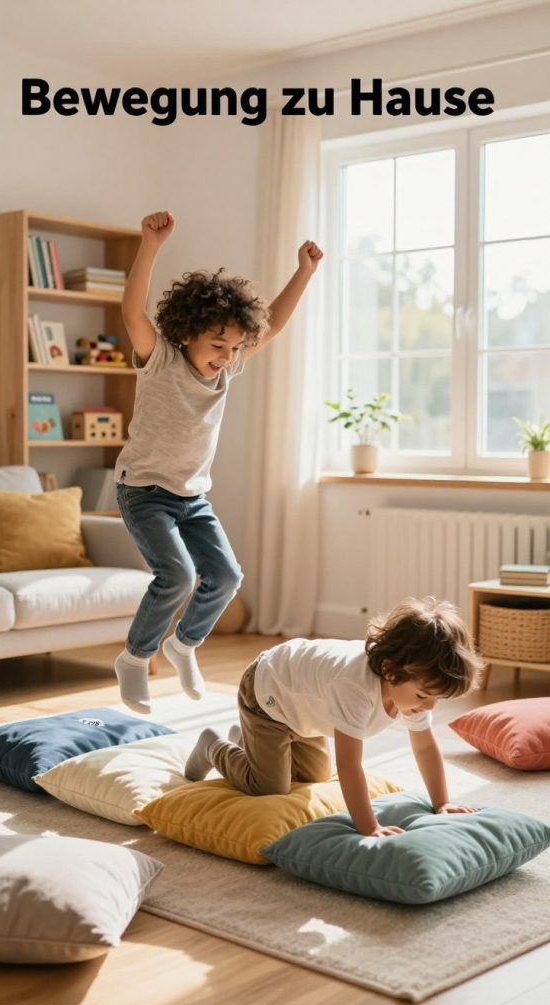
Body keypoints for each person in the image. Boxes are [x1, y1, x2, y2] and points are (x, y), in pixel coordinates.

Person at [114, 210, 323, 713]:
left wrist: (304, 273)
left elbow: (270, 323)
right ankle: (134, 659)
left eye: (233, 347)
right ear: (187, 333)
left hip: (191, 496)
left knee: (227, 576)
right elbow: (132, 312)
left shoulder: (227, 370)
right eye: (217, 345)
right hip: (143, 490)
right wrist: (150, 245)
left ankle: (183, 643)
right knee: (178, 576)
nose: (227, 356)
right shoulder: (160, 357)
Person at [184, 597, 484, 836]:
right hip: (269, 694)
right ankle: (214, 745)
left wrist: (442, 802)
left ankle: (249, 743)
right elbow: (349, 764)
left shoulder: (410, 692)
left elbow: (424, 746)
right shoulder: (355, 687)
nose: (430, 707)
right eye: (424, 696)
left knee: (315, 775)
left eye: (437, 699)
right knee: (270, 787)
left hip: (306, 709)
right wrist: (369, 827)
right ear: (390, 671)